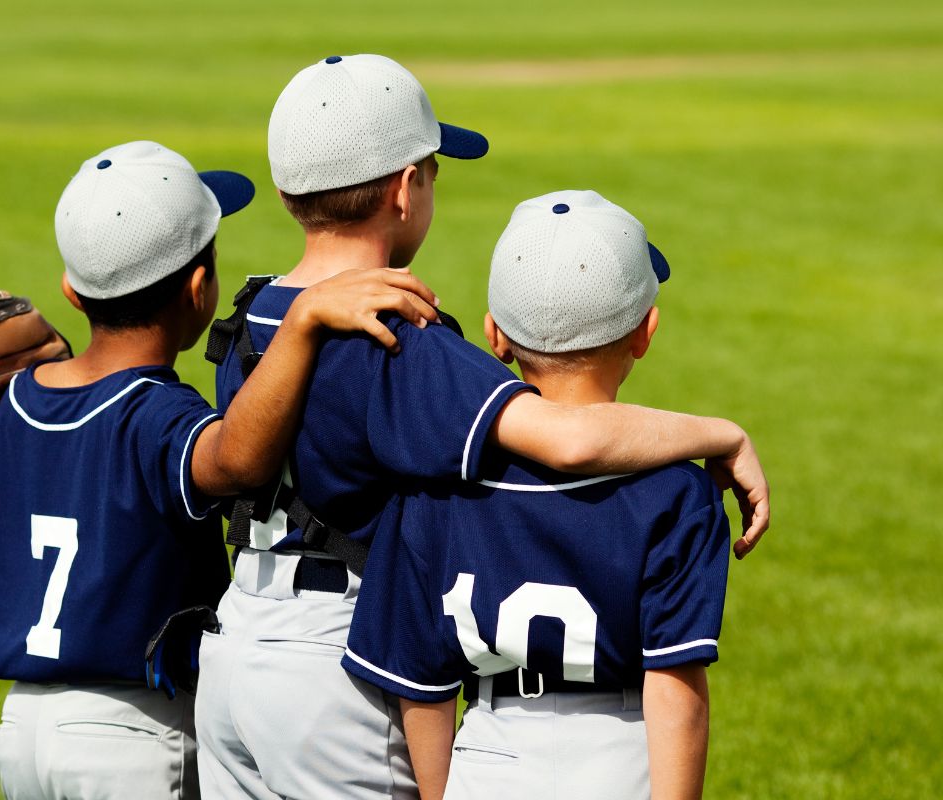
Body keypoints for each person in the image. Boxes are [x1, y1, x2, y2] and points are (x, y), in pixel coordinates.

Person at [195, 55, 767, 800]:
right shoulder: (403, 340)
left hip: (234, 644)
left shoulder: (255, 315)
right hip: (337, 660)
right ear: (406, 189)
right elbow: (570, 438)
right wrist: (720, 434)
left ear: (281, 190)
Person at [0, 140, 442, 800]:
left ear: (71, 293)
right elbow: (237, 460)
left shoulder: (19, 403)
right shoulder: (160, 413)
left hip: (23, 729)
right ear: (200, 288)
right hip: (134, 733)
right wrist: (302, 320)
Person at [343, 190, 727, 800]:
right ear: (644, 333)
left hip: (491, 752)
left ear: (495, 335)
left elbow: (421, 684)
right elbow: (678, 696)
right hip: (621, 755)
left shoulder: (438, 483)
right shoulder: (677, 490)